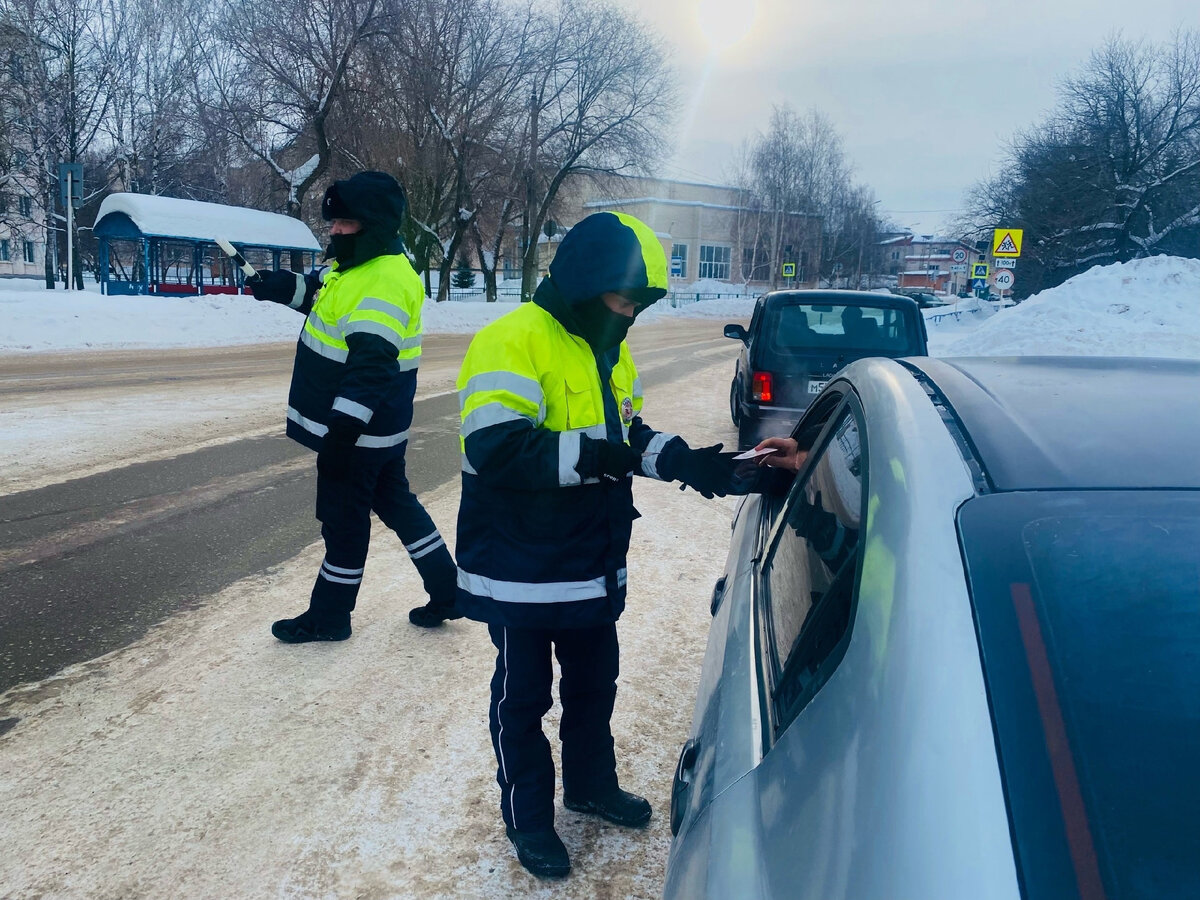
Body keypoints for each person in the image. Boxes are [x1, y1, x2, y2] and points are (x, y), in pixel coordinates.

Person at [453, 211, 743, 878]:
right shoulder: (514, 339)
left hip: (588, 557)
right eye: (624, 299)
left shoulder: (604, 342)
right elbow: (497, 449)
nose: (630, 315)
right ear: (587, 282)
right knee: (523, 697)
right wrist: (601, 456)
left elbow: (627, 431)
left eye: (639, 306)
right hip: (522, 565)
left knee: (594, 685)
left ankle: (589, 786)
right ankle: (529, 819)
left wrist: (681, 461)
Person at [246, 170, 460, 642]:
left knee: (343, 524)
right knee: (399, 506)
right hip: (379, 430)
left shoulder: (381, 280)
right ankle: (449, 588)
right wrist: (276, 286)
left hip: (358, 433)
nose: (334, 231)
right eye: (334, 222)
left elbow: (372, 365)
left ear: (374, 224)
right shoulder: (358, 266)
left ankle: (330, 616)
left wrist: (341, 435)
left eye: (344, 223)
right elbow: (322, 296)